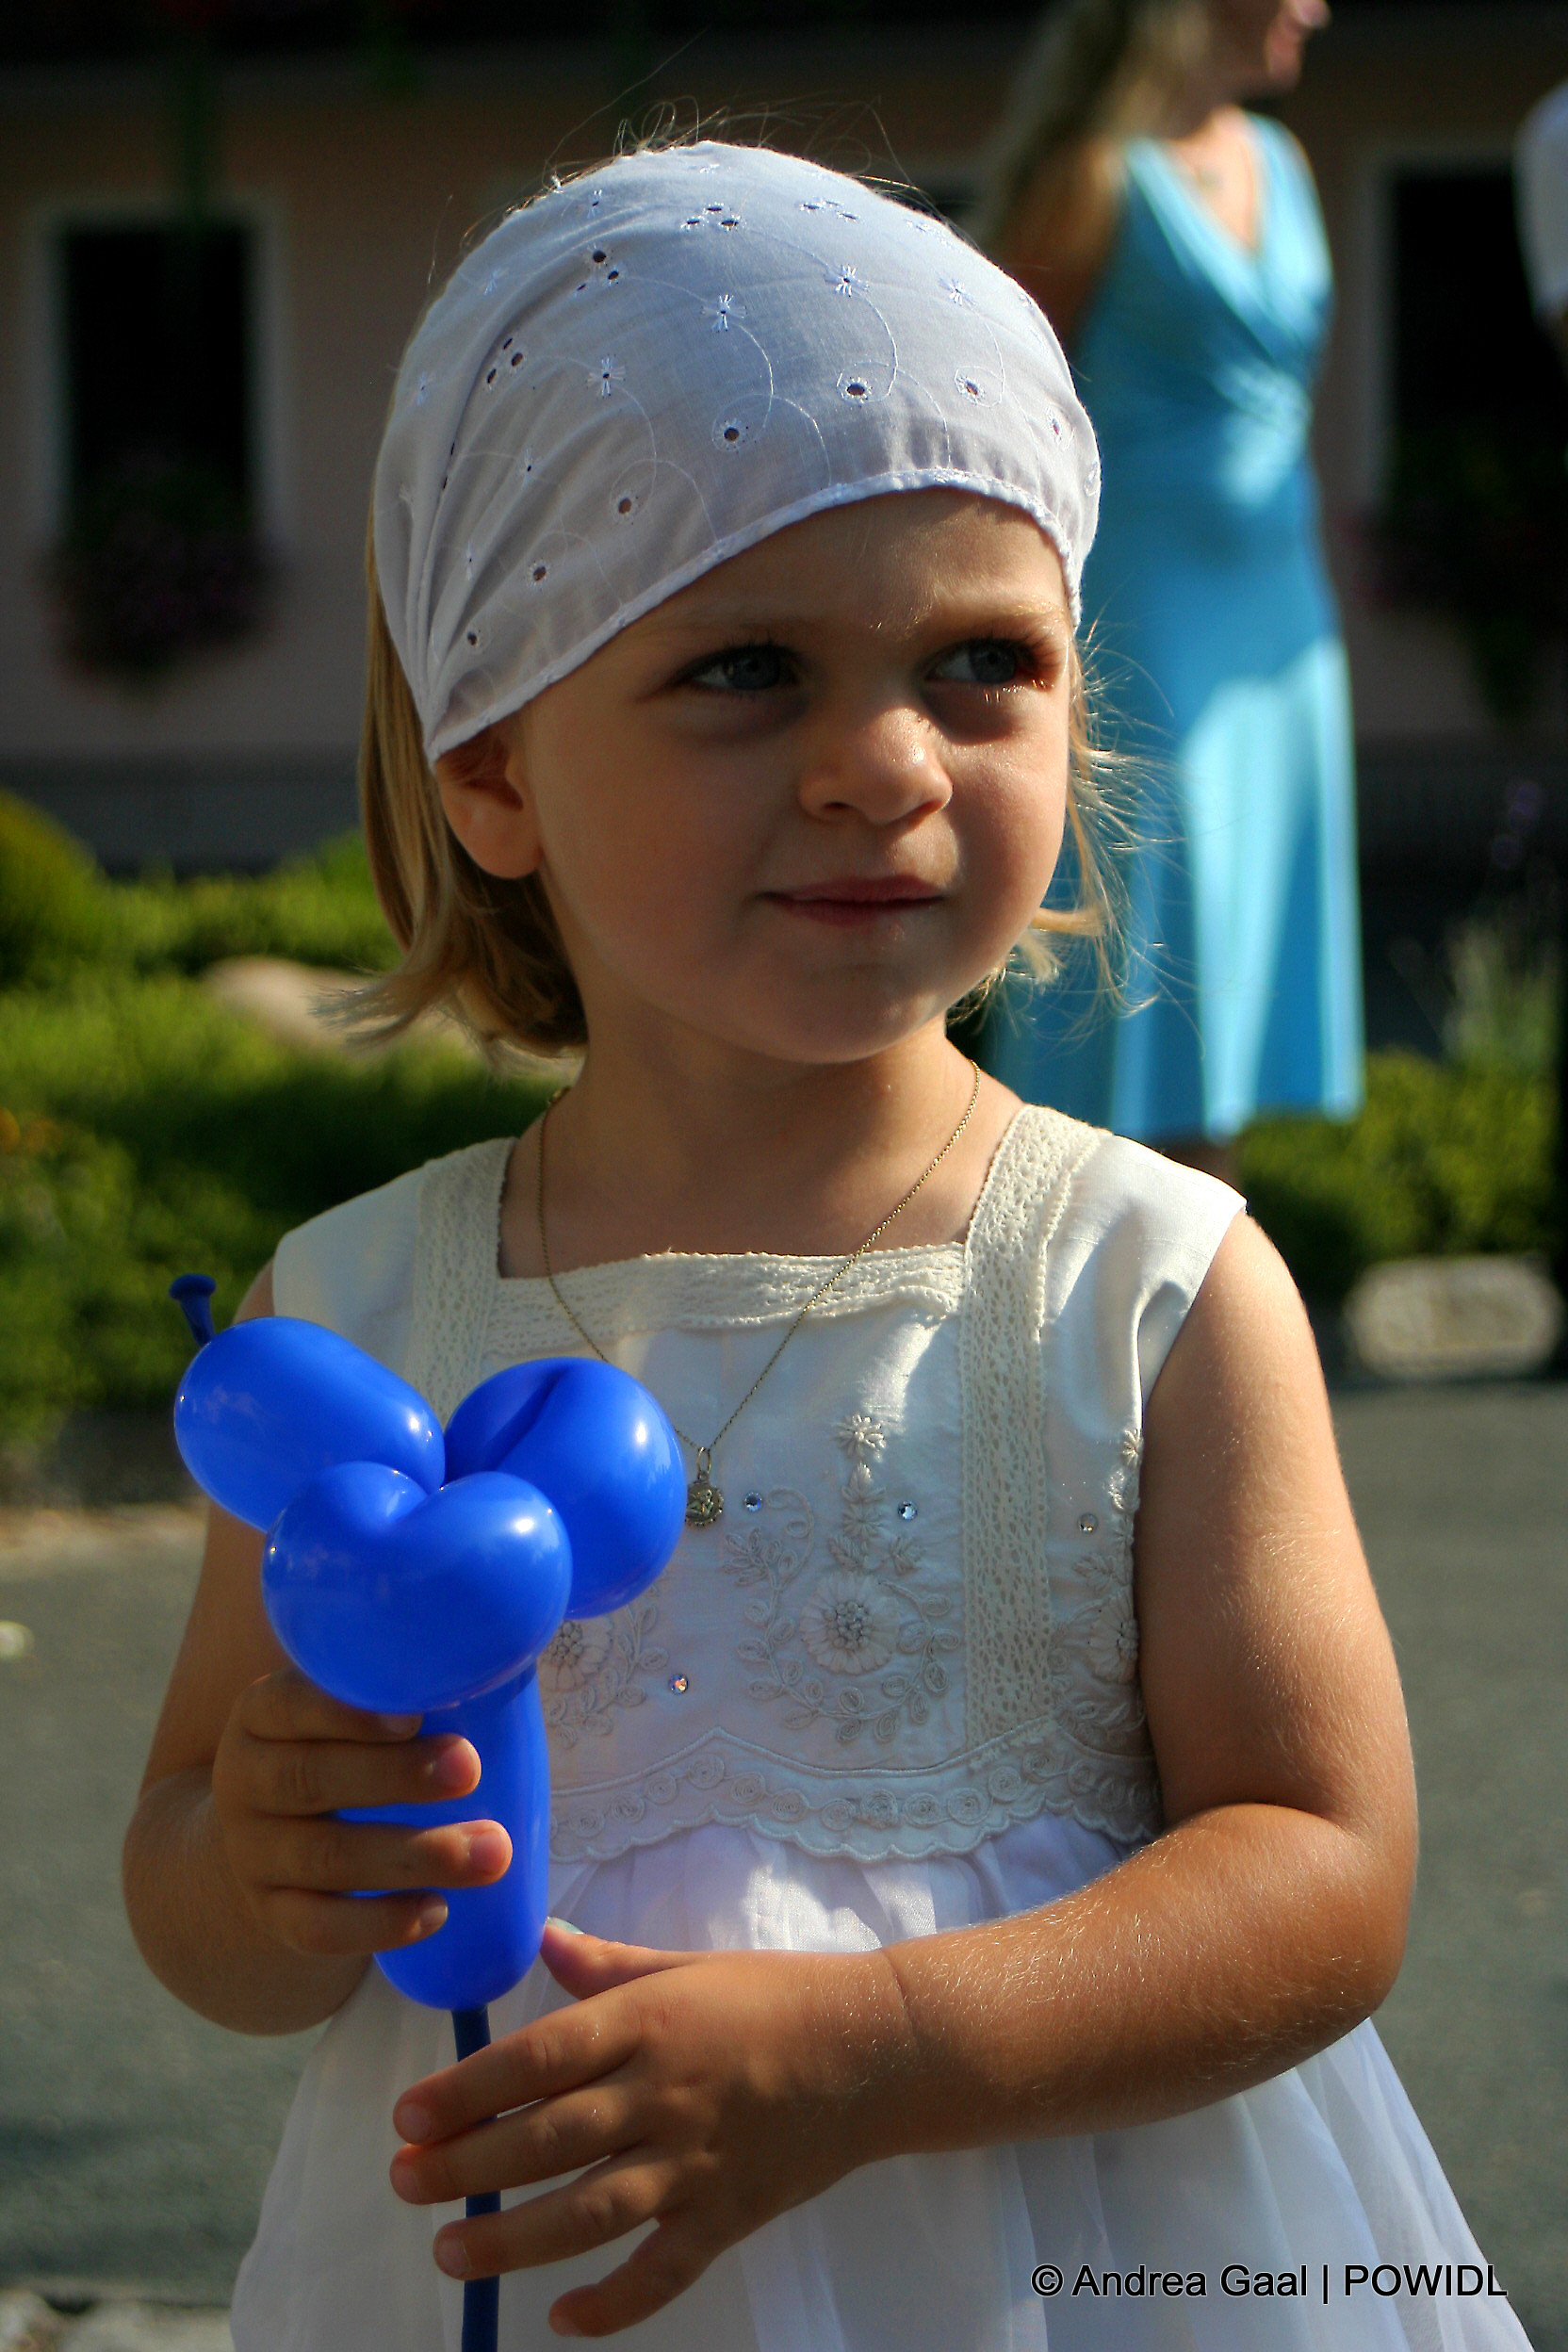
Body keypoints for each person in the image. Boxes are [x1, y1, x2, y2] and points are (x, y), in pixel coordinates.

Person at [122, 141, 1526, 2351]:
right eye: (743, 668)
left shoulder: (1140, 1283)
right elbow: (206, 1885)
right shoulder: (355, 1313)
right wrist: (273, 1858)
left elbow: (1319, 1867)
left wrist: (876, 2042)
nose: (883, 763)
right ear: (493, 761)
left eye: (982, 661)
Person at [973, 0, 1363, 1170]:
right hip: (1148, 617)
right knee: (1144, 972)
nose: (1313, 9)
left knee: (1233, 979)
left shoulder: (1280, 160)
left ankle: (1193, 1309)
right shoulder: (1091, 178)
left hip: (1283, 621)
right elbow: (991, 411)